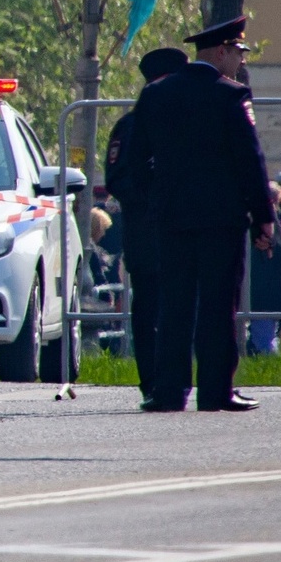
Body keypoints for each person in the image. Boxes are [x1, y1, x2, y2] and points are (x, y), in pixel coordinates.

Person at [125, 17, 275, 412]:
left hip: (172, 218)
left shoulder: (157, 94)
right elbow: (250, 160)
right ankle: (215, 390)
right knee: (218, 305)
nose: (240, 63)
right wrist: (263, 215)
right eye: (238, 53)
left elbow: (133, 160)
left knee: (174, 305)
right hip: (221, 220)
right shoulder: (231, 96)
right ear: (221, 51)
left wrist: (152, 200)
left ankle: (169, 391)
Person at [103, 45, 187, 400]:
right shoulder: (131, 125)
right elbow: (117, 179)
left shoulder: (188, 120)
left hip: (182, 231)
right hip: (146, 233)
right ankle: (151, 380)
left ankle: (177, 379)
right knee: (149, 308)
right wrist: (151, 197)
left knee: (181, 308)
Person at [247, 179, 281, 355]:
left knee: (265, 328)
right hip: (265, 284)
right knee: (264, 331)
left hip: (265, 286)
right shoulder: (267, 222)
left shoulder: (272, 220)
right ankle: (261, 351)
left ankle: (260, 349)